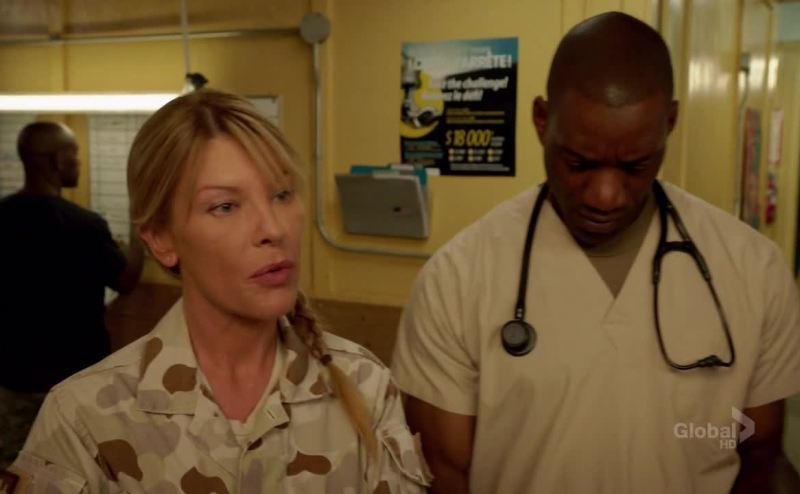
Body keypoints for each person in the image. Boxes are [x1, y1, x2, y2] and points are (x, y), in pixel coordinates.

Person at [392, 11, 800, 494]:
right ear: (541, 120)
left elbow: (761, 455)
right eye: (578, 163)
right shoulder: (457, 278)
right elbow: (440, 474)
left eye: (635, 165)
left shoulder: (754, 268)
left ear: (669, 123)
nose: (605, 196)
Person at [3, 89, 431, 493]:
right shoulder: (84, 418)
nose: (273, 228)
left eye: (282, 194)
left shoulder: (365, 386)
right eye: (225, 206)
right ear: (160, 238)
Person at [0, 122, 144, 468]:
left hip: (12, 379)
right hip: (74, 381)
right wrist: (138, 228)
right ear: (55, 161)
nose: (79, 162)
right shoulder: (84, 225)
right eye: (74, 154)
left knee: (14, 472)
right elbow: (126, 280)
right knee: (74, 471)